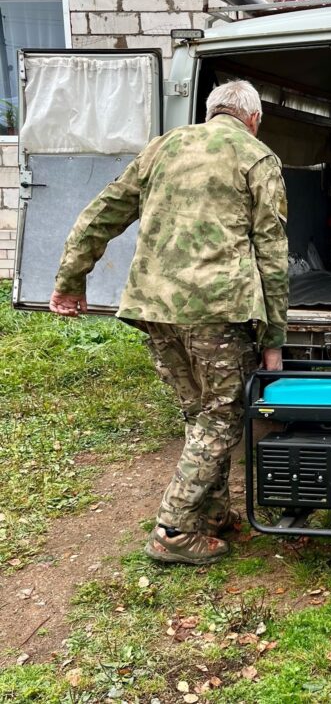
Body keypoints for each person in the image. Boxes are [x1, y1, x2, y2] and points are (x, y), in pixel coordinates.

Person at [49, 80, 288, 566]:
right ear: (253, 118)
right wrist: (274, 336)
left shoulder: (163, 146)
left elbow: (103, 212)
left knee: (198, 413)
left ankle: (213, 514)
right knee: (222, 416)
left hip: (155, 307)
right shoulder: (257, 156)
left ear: (210, 111)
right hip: (216, 309)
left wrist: (70, 279)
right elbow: (273, 252)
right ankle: (174, 528)